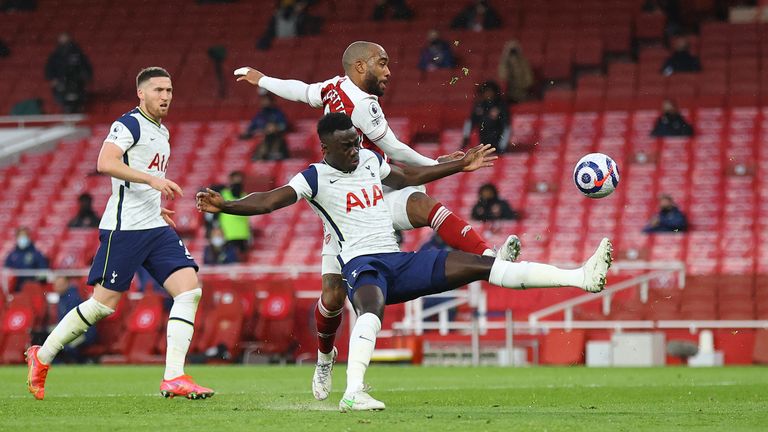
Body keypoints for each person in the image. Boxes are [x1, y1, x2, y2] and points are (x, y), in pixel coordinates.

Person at [196, 112, 613, 411]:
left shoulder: (369, 161)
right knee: (366, 308)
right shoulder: (315, 177)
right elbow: (269, 200)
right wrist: (226, 206)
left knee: (484, 268)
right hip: (360, 262)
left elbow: (410, 177)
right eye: (346, 147)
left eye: (357, 142)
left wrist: (458, 165)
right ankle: (351, 388)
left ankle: (581, 276)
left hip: (397, 258)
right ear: (326, 148)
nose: (355, 151)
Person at [234, 40, 521, 401]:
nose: (388, 71)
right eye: (382, 64)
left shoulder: (334, 87)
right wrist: (439, 164)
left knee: (421, 204)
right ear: (359, 67)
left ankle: (490, 255)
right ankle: (325, 358)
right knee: (333, 296)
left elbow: (302, 91)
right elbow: (398, 149)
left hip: (376, 189)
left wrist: (263, 80)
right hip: (343, 203)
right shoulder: (364, 106)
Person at [25, 67, 213, 401]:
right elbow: (105, 162)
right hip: (124, 229)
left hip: (154, 227)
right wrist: (152, 181)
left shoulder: (162, 132)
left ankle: (174, 376)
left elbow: (143, 174)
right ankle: (41, 356)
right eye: (158, 90)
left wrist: (157, 205)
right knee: (102, 306)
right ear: (141, 93)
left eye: (169, 91)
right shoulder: (128, 124)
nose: (165, 96)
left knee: (189, 291)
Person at [51, 276, 96, 363]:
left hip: (84, 332)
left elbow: (74, 322)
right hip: (75, 330)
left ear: (67, 284)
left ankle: (77, 363)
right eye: (56, 285)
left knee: (67, 347)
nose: (57, 287)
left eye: (61, 284)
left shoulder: (73, 298)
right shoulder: (63, 298)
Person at [44, 33, 93, 113]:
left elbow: (85, 67)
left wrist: (84, 77)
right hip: (62, 83)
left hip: (77, 84)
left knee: (77, 102)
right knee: (64, 100)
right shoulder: (56, 55)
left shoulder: (77, 53)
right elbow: (49, 69)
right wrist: (53, 79)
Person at [462, 80, 510, 153]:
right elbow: (470, 122)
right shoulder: (479, 105)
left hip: (498, 141)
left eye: (490, 91)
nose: (488, 94)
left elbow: (507, 127)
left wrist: (503, 145)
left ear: (495, 92)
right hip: (483, 141)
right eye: (486, 91)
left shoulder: (501, 106)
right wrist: (466, 137)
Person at [4, 227, 49, 292]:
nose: (22, 238)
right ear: (16, 238)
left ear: (28, 237)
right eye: (20, 236)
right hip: (15, 290)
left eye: (24, 236)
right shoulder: (11, 255)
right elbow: (6, 271)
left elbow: (43, 272)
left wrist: (37, 281)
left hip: (32, 290)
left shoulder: (36, 254)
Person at [218, 171, 251, 255]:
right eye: (235, 179)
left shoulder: (245, 195)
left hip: (243, 235)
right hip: (228, 235)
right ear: (230, 180)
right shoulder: (222, 194)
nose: (238, 182)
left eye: (239, 180)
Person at [497, 40, 534, 104]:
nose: (513, 53)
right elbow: (503, 77)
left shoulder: (524, 62)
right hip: (509, 94)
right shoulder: (504, 63)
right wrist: (505, 58)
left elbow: (529, 80)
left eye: (514, 50)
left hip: (523, 92)